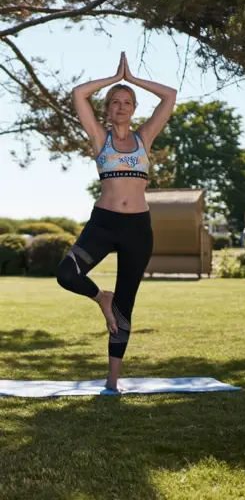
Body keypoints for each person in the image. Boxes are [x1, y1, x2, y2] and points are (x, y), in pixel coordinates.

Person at [56, 52, 177, 392]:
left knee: (126, 304)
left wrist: (133, 79)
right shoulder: (99, 138)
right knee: (67, 274)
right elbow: (79, 93)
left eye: (127, 102)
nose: (122, 107)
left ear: (134, 109)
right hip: (104, 224)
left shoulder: (144, 138)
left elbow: (169, 96)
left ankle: (113, 380)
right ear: (107, 109)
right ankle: (100, 298)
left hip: (138, 229)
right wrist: (113, 78)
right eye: (115, 102)